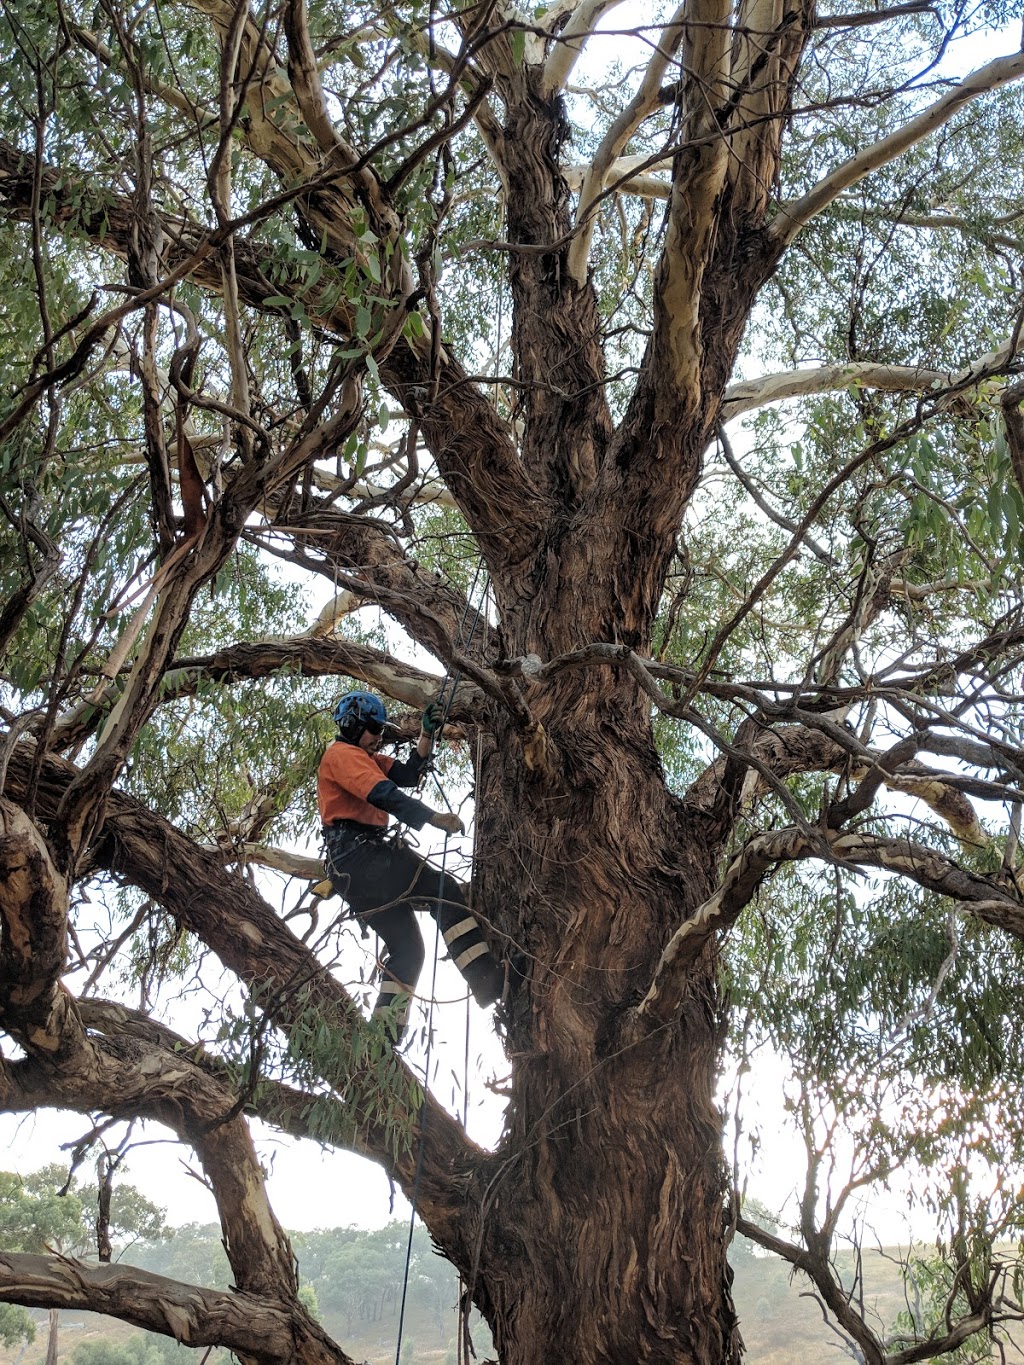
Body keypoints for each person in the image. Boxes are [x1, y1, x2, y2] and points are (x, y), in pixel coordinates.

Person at [318, 690, 504, 1041]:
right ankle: (487, 981)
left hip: (352, 872)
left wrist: (426, 734)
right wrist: (434, 818)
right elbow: (384, 794)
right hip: (362, 856)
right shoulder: (342, 755)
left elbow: (407, 775)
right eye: (374, 728)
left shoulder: (367, 758)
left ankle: (382, 1041)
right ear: (354, 723)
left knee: (408, 950)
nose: (379, 737)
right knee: (443, 891)